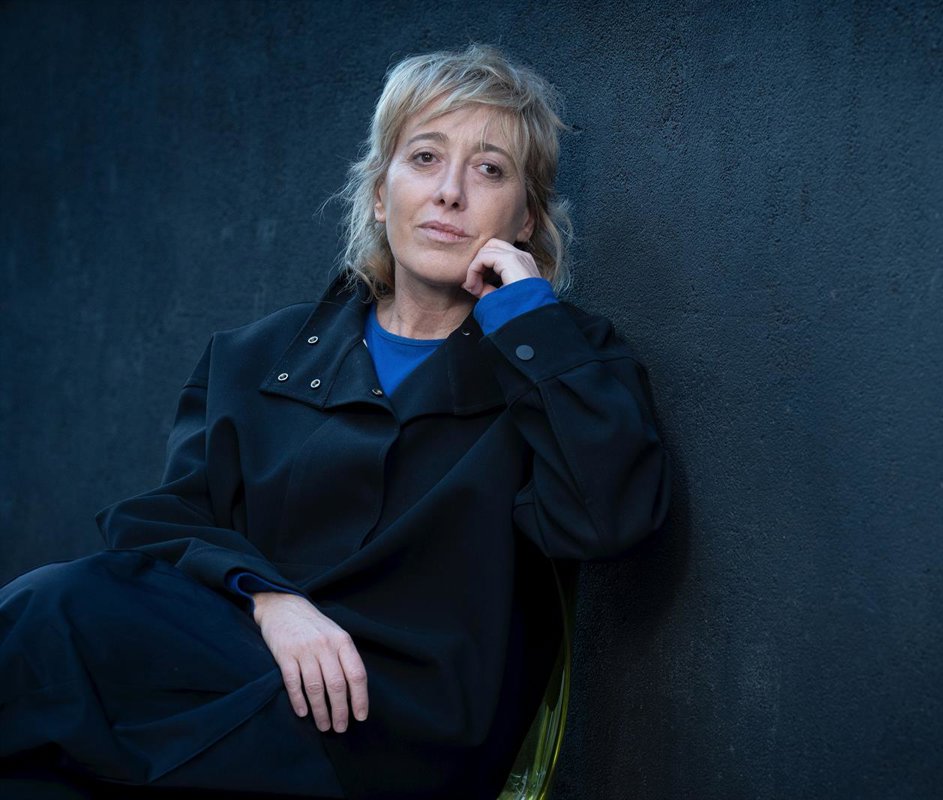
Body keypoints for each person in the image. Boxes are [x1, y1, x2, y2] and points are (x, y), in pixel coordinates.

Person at [0, 44, 669, 799]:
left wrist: (528, 321)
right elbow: (165, 519)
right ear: (381, 194)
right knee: (53, 626)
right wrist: (270, 598)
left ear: (527, 218)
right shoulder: (256, 356)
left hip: (391, 732)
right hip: (236, 671)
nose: (450, 192)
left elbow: (611, 519)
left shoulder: (563, 360)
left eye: (489, 170)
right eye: (425, 157)